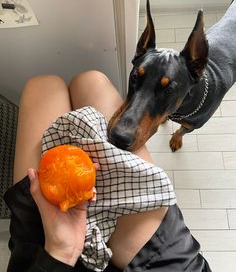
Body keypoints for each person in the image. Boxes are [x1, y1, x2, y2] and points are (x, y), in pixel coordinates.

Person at [4, 71, 212, 271]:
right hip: (164, 265)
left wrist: (62, 252)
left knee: (43, 86)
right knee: (91, 80)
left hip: (46, 256)